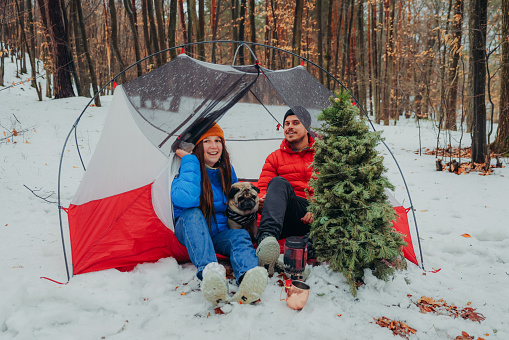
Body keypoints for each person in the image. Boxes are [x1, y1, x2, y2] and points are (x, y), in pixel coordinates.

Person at [172, 123, 268, 305]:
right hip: (190, 230)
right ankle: (211, 274)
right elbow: (186, 200)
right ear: (198, 146)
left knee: (239, 235)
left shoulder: (227, 170)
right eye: (207, 141)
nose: (214, 146)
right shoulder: (186, 166)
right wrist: (190, 161)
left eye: (218, 141)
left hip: (218, 233)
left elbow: (234, 204)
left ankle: (248, 276)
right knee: (193, 213)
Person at [255, 109, 315, 274]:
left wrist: (318, 209)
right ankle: (266, 241)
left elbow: (333, 189)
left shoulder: (323, 156)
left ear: (308, 127)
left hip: (312, 214)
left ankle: (299, 253)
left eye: (296, 123)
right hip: (284, 213)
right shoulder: (275, 157)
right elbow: (263, 187)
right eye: (287, 124)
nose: (290, 127)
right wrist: (261, 201)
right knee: (278, 182)